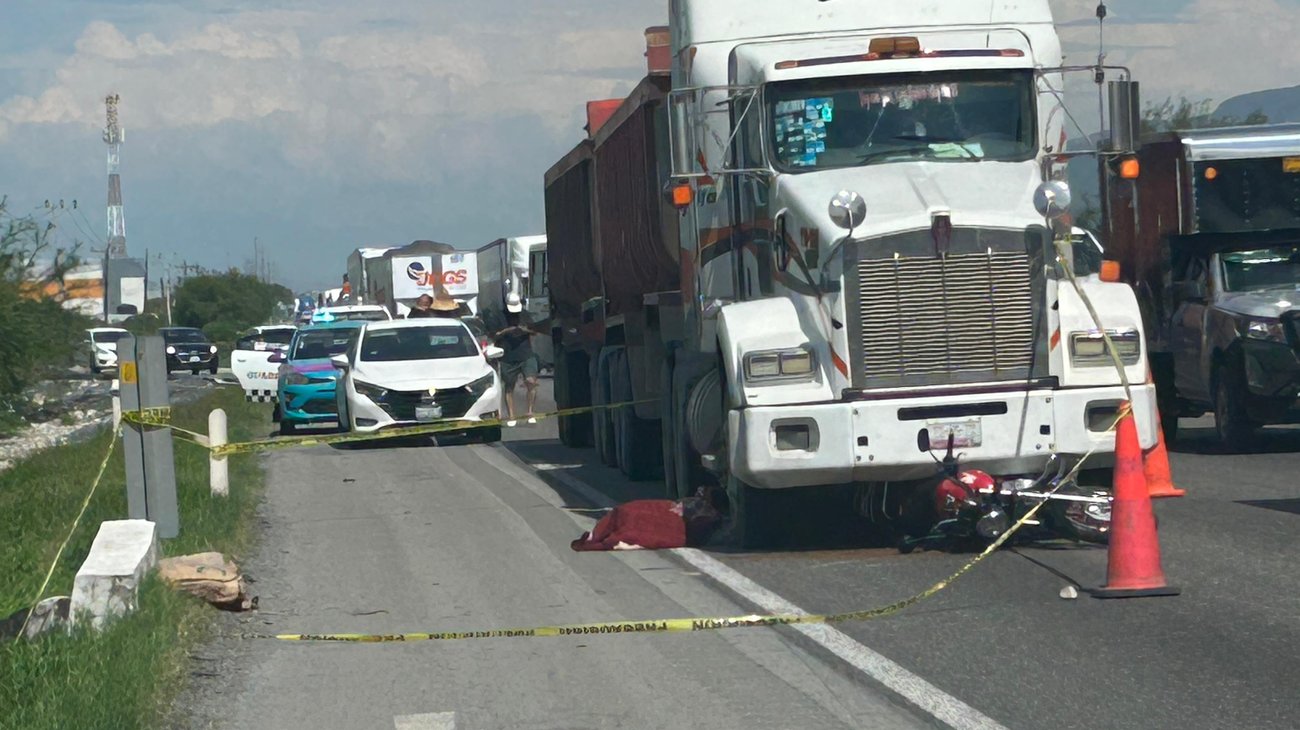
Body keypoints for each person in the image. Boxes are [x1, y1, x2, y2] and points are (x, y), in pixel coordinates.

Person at [493, 311, 541, 426]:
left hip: (526, 355)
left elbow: (535, 331)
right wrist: (507, 331)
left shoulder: (525, 314)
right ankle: (511, 416)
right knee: (509, 387)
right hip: (508, 357)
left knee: (531, 382)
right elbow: (494, 335)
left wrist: (524, 330)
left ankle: (530, 412)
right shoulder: (499, 316)